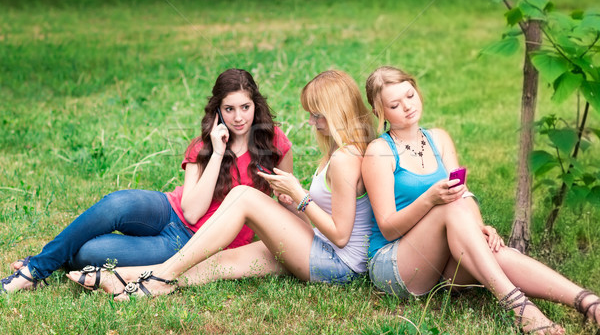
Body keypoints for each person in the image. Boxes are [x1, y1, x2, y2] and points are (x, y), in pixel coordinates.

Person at [67, 70, 375, 297]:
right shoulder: (342, 151)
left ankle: (161, 279)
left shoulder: (346, 158)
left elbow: (341, 235)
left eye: (317, 115)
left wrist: (301, 195)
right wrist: (294, 205)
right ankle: (116, 277)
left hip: (335, 263)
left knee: (244, 195)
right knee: (223, 262)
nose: (311, 122)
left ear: (335, 113)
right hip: (316, 245)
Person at [1, 68, 292, 294]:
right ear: (217, 111)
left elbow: (283, 205)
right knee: (116, 203)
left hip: (190, 241)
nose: (239, 117)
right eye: (229, 109)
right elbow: (190, 209)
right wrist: (217, 153)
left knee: (88, 253)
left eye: (245, 107)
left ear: (256, 104)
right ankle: (34, 271)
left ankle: (48, 261)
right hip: (169, 209)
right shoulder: (204, 145)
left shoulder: (275, 143)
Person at [362, 66, 600, 335]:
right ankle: (521, 309)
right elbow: (388, 227)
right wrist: (430, 199)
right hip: (396, 265)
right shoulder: (379, 152)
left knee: (493, 252)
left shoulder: (438, 138)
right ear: (379, 112)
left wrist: (480, 228)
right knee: (448, 208)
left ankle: (588, 302)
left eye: (410, 95)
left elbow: (462, 194)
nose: (407, 106)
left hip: (440, 261)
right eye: (395, 104)